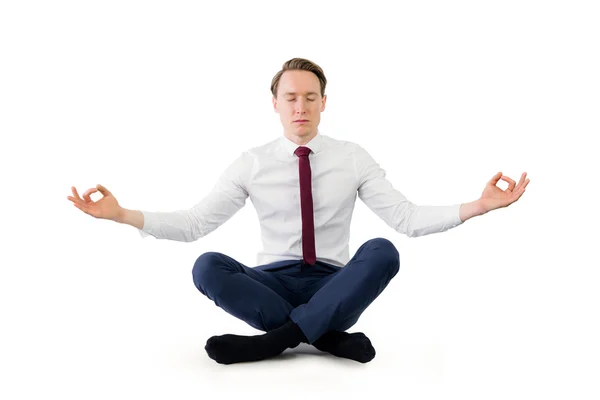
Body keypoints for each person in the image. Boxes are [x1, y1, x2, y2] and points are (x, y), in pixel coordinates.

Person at [67, 57, 530, 365]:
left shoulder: (352, 157)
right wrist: (122, 214)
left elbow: (405, 218)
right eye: (291, 97)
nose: (301, 106)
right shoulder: (251, 162)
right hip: (272, 282)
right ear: (275, 104)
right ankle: (322, 335)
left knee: (383, 249)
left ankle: (277, 341)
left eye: (310, 97)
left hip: (335, 281)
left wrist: (479, 206)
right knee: (207, 265)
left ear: (324, 103)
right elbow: (194, 225)